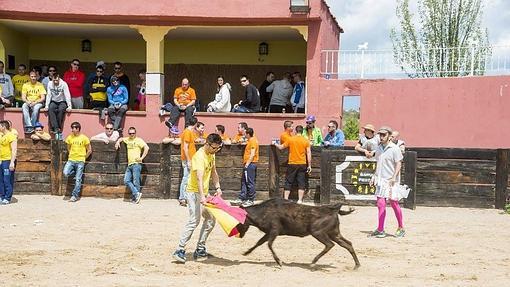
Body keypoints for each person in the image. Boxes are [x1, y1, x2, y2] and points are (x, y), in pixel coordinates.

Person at [172, 133, 224, 264]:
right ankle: (179, 249)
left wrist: (218, 188)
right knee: (194, 221)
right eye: (214, 147)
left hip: (203, 193)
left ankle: (200, 248)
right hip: (194, 192)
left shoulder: (212, 154)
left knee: (211, 220)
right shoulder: (199, 157)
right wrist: (202, 197)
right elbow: (200, 178)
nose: (216, 150)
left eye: (218, 148)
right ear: (207, 144)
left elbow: (214, 172)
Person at [369, 126, 405, 238]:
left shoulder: (395, 148)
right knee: (380, 204)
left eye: (384, 135)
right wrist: (374, 176)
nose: (381, 136)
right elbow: (378, 164)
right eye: (380, 134)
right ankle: (380, 229)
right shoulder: (379, 148)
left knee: (394, 203)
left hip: (391, 180)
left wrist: (394, 177)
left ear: (389, 136)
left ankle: (401, 227)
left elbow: (399, 163)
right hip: (381, 180)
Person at [274, 125, 311, 204]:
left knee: (288, 181)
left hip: (292, 163)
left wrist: (275, 144)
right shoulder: (305, 140)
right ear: (302, 131)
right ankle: (300, 200)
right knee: (301, 181)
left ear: (295, 131)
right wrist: (309, 165)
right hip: (302, 163)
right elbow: (308, 153)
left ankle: (286, 199)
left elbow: (281, 147)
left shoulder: (291, 139)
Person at [115, 127, 149, 204]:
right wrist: (117, 142)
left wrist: (142, 158)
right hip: (129, 164)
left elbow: (147, 148)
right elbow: (121, 139)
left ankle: (135, 198)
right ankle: (136, 194)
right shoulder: (127, 139)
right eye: (130, 133)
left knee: (136, 181)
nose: (131, 135)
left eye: (133, 133)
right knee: (126, 180)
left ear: (135, 133)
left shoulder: (139, 140)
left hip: (136, 164)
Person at [63, 122, 92, 202]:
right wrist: (71, 155)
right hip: (71, 159)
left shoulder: (84, 138)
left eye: (74, 128)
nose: (72, 129)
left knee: (78, 180)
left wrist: (83, 158)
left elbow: (89, 150)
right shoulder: (69, 137)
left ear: (78, 129)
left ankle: (74, 196)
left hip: (80, 161)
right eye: (72, 128)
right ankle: (75, 174)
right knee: (65, 173)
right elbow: (68, 148)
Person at [233, 127, 259, 207]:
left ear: (248, 134)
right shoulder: (250, 140)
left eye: (245, 134)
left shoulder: (253, 141)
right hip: (248, 164)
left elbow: (252, 153)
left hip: (250, 164)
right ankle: (243, 198)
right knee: (244, 181)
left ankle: (251, 199)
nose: (245, 136)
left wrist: (247, 163)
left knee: (249, 182)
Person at [178, 117, 200, 206]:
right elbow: (185, 147)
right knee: (186, 178)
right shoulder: (187, 132)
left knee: (189, 178)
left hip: (190, 158)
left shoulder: (189, 132)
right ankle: (182, 198)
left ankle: (185, 197)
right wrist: (188, 160)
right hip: (188, 159)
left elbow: (195, 140)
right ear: (195, 124)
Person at [45, 74, 72, 138]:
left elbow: (67, 95)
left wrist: (69, 106)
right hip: (54, 101)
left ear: (59, 79)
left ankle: (58, 127)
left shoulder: (64, 84)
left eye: (57, 80)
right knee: (50, 108)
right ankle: (55, 128)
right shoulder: (49, 84)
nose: (55, 82)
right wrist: (46, 106)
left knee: (61, 109)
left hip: (62, 101)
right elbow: (48, 95)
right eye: (54, 80)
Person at [0, 120, 17, 205]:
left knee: (7, 180)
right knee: (1, 180)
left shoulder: (11, 136)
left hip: (8, 160)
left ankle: (7, 197)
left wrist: (12, 162)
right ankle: (2, 196)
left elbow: (14, 150)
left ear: (3, 127)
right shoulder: (1, 135)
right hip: (1, 160)